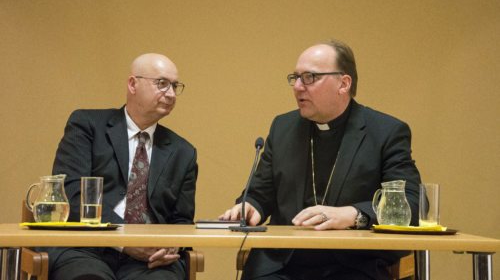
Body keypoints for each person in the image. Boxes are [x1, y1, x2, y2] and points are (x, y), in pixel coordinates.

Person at [220, 39, 421, 280]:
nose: (297, 86)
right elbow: (261, 192)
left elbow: (412, 203)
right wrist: (252, 205)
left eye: (309, 77)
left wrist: (352, 215)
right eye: (294, 78)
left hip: (351, 265)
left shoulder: (385, 132)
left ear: (343, 83)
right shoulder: (283, 127)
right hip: (281, 264)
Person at [46, 53, 197, 280]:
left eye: (175, 86)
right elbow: (71, 194)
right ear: (133, 84)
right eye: (162, 84)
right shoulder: (87, 126)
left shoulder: (183, 152)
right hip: (86, 249)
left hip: (150, 261)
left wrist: (171, 247)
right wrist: (123, 240)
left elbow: (182, 221)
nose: (171, 94)